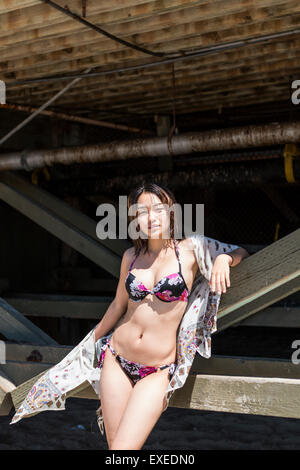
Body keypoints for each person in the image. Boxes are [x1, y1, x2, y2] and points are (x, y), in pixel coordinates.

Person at [10, 182, 249, 451]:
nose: (151, 217)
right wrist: (88, 344)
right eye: (142, 211)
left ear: (170, 212)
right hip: (116, 358)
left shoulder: (191, 249)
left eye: (157, 209)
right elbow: (117, 306)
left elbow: (239, 251)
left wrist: (222, 261)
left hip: (157, 370)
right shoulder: (131, 257)